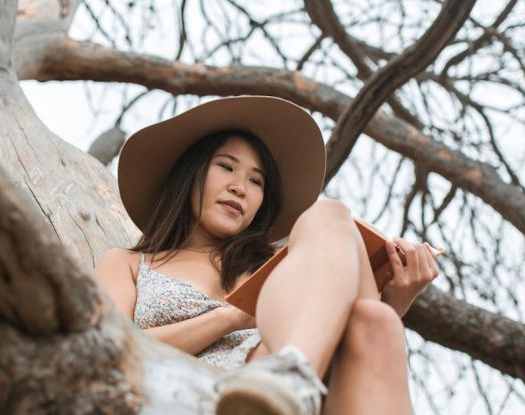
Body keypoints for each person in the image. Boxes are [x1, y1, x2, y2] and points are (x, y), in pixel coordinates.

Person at [94, 96, 439, 415]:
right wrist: (232, 317)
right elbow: (108, 350)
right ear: (189, 173)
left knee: (342, 242)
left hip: (283, 394)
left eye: (256, 182)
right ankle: (286, 376)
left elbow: (353, 346)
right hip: (188, 396)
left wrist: (395, 302)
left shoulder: (284, 267)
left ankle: (292, 377)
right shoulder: (128, 264)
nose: (240, 188)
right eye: (226, 167)